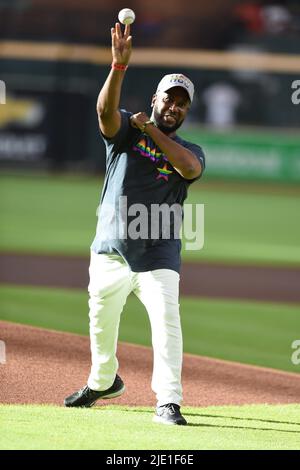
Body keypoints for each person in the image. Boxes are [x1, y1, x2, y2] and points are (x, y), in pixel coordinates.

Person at [64, 22, 205, 426]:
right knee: (100, 323)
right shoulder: (126, 130)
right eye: (168, 99)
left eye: (182, 103)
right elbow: (104, 113)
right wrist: (117, 66)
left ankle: (169, 401)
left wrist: (150, 128)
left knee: (166, 325)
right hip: (110, 248)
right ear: (155, 98)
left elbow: (189, 168)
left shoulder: (188, 149)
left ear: (186, 111)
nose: (173, 107)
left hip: (158, 255)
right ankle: (103, 381)